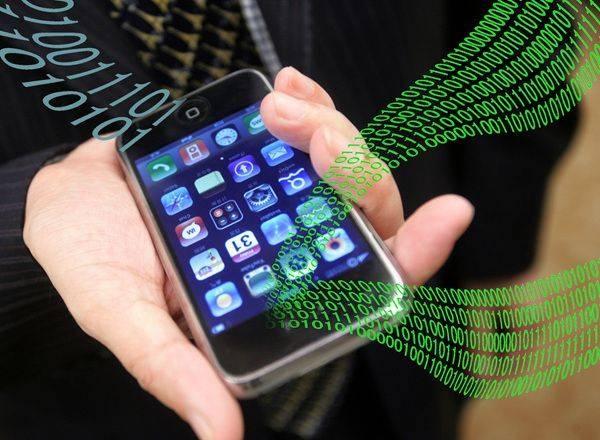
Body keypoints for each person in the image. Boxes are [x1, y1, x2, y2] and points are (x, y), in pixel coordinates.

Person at [0, 1, 576, 439]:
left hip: (399, 310)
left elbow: (523, 38)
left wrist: (497, 252)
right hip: (103, 401)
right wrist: (32, 219)